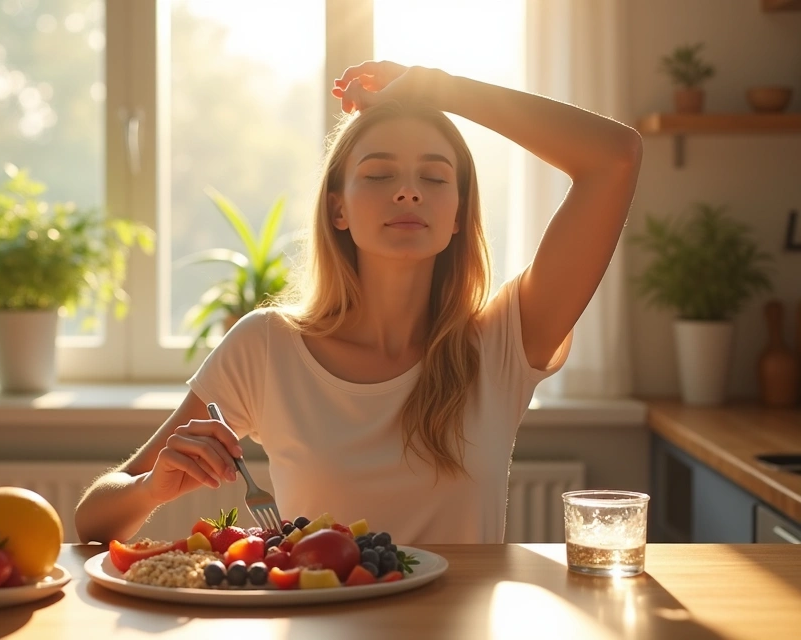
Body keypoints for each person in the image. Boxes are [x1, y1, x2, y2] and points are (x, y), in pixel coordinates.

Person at [75, 61, 642, 544]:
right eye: (378, 174)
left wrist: (439, 88)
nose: (408, 190)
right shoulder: (267, 346)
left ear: (458, 216)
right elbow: (93, 520)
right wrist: (152, 488)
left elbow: (616, 156)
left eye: (435, 177)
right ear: (338, 210)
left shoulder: (503, 341)